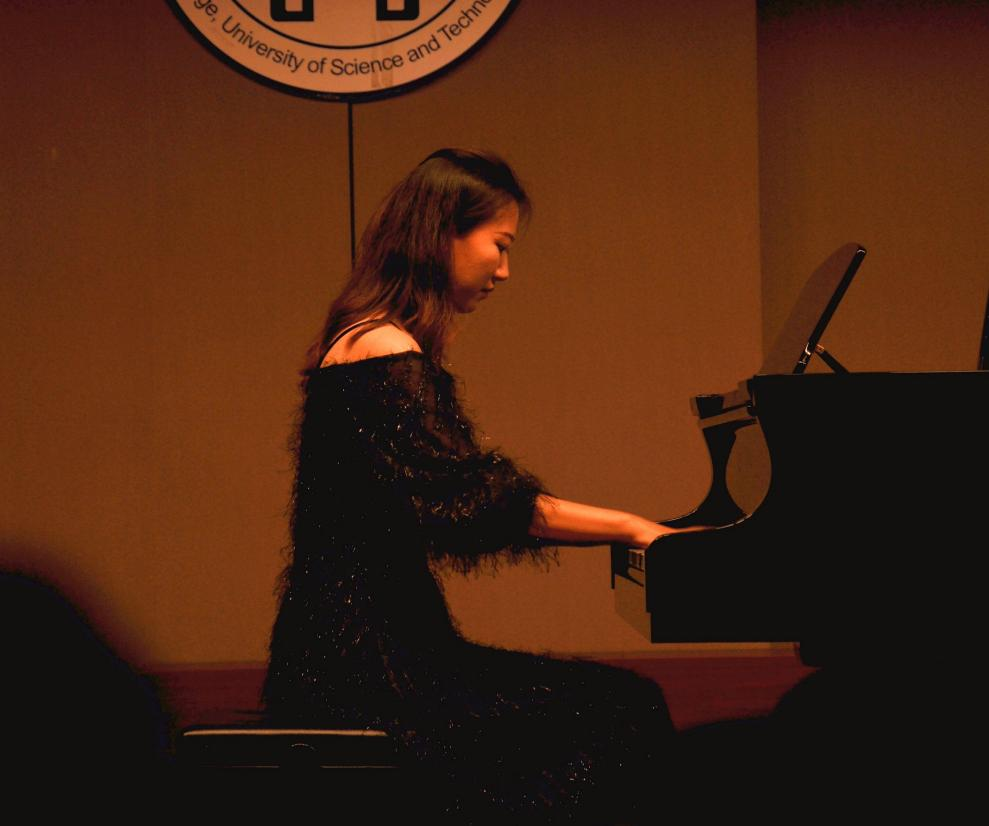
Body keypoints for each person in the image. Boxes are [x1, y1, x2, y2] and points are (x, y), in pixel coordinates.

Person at [263, 148, 688, 822]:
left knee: (614, 707)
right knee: (619, 710)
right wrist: (633, 527)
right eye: (501, 244)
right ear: (443, 234)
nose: (504, 270)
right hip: (370, 667)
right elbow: (474, 503)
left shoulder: (368, 340)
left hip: (365, 648)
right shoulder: (382, 349)